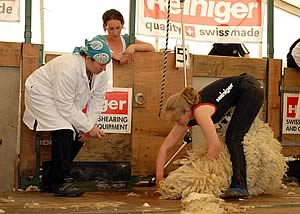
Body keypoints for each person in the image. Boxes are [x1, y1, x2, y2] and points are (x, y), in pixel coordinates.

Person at [23, 38, 112, 197]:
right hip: (41, 94)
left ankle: (50, 180)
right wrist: (89, 127)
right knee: (63, 129)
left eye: (105, 65)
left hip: (62, 100)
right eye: (101, 64)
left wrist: (88, 127)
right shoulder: (68, 68)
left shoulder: (101, 74)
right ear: (88, 58)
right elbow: (64, 104)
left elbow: (98, 100)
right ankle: (60, 181)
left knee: (80, 134)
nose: (104, 69)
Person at [156, 73, 264, 198]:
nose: (177, 124)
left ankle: (240, 185)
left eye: (177, 120)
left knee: (233, 137)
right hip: (245, 90)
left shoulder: (200, 112)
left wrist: (203, 174)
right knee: (232, 135)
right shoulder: (186, 116)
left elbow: (215, 146)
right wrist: (160, 177)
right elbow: (164, 148)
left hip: (250, 90)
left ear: (186, 111)